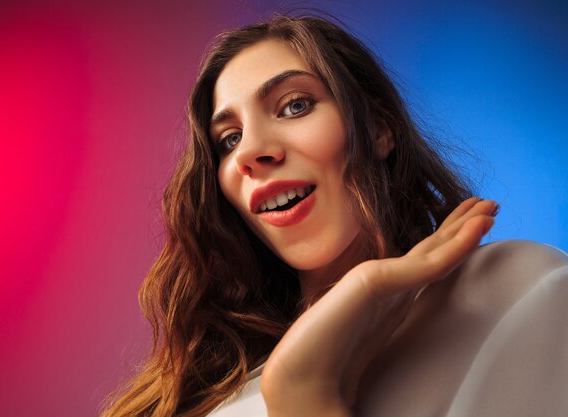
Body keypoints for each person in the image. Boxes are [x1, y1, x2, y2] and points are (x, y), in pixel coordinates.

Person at [101, 15, 568, 417]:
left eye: (295, 105)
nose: (252, 152)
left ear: (378, 130)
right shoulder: (208, 380)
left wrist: (303, 391)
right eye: (229, 139)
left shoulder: (514, 289)